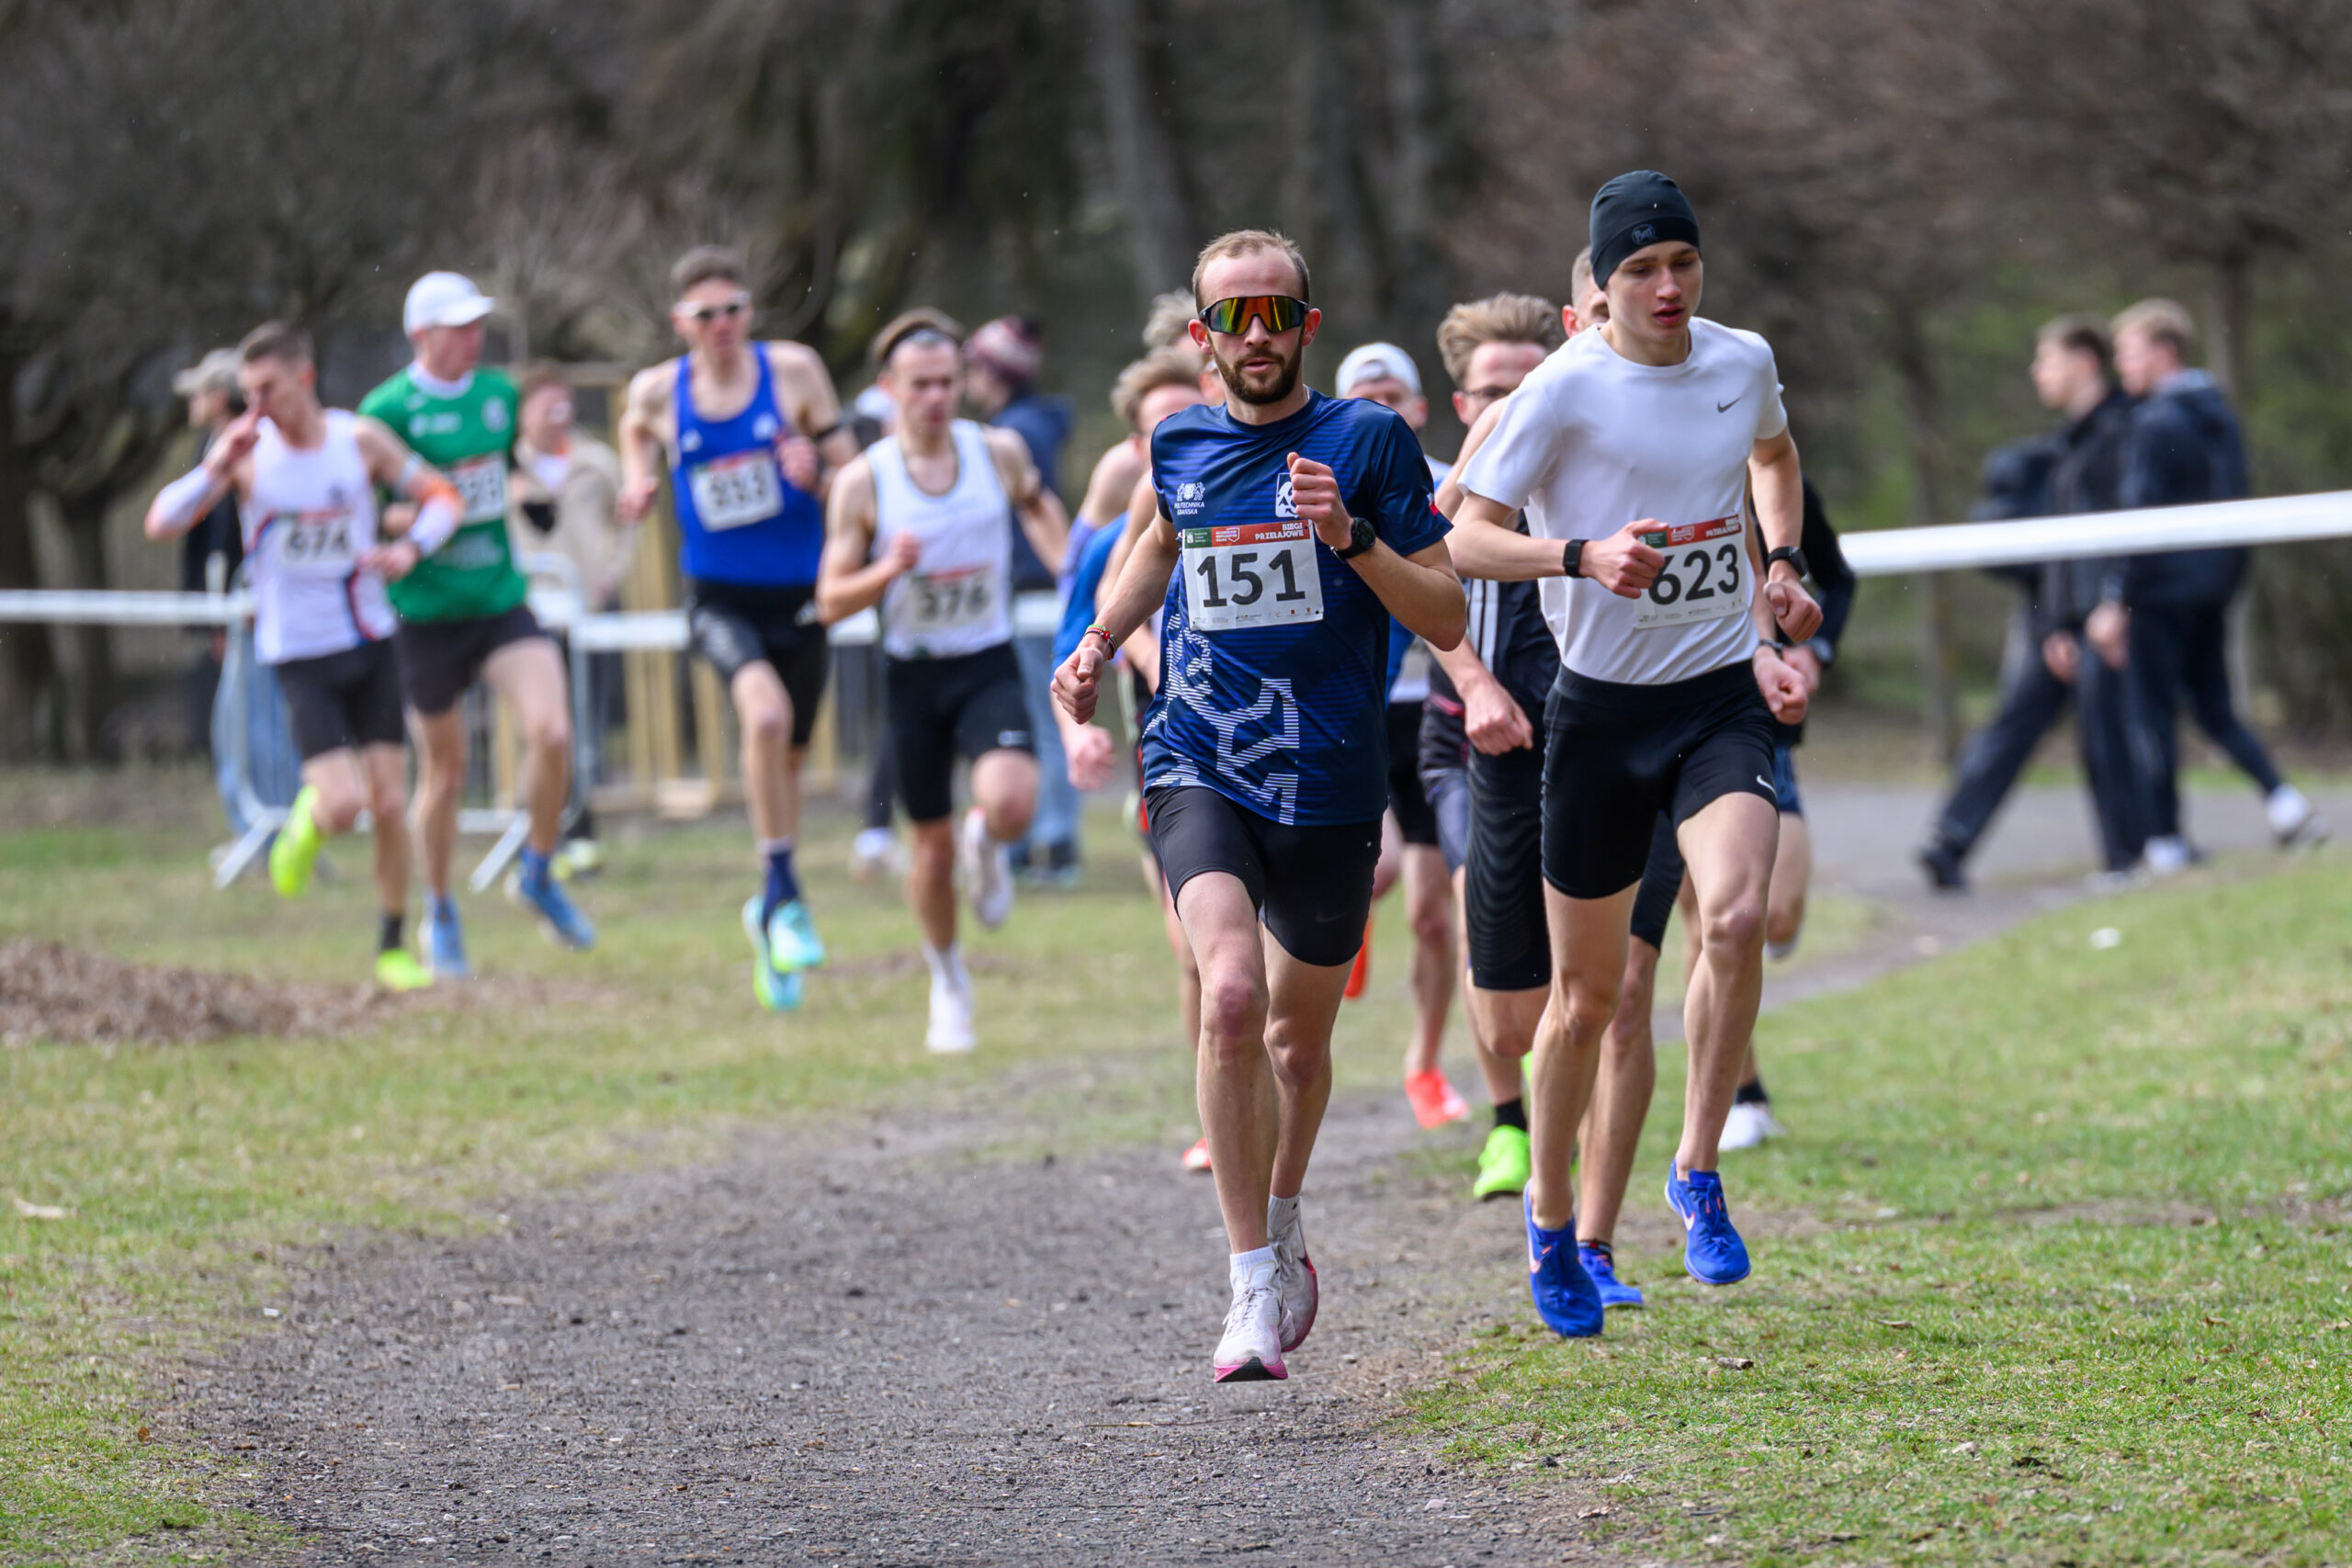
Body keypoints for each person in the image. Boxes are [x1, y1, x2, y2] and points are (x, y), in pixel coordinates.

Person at [1054, 230, 1465, 1382]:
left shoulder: (1368, 440)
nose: (1256, 335)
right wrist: (1097, 642)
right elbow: (1149, 550)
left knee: (1297, 1037)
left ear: (1305, 325)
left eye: (1274, 313)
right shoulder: (1176, 442)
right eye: (1231, 318)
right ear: (1202, 337)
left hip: (1331, 780)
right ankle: (1245, 1284)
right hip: (1198, 757)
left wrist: (1352, 535)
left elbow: (1444, 617)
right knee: (1228, 996)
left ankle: (1285, 1221)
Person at [1450, 172, 1821, 1332]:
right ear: (1600, 288)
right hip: (1599, 718)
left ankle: (1696, 1171)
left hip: (1716, 700)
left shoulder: (1739, 358)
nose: (1666, 288)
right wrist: (1579, 558)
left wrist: (1781, 561)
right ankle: (1552, 1221)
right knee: (1586, 998)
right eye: (1638, 272)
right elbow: (1462, 538)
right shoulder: (1560, 391)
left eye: (1681, 265)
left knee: (1734, 915)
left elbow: (1774, 455)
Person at [145, 322, 460, 990]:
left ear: (305, 378)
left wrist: (411, 549)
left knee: (387, 800)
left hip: (370, 638)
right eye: (247, 392)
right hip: (298, 652)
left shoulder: (359, 440)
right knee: (343, 803)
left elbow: (441, 497)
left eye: (268, 389)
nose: (256, 405)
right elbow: (163, 521)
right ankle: (308, 823)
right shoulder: (244, 452)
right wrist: (213, 465)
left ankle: (391, 943)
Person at [616, 246, 860, 1011]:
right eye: (705, 315)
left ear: (748, 314)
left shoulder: (793, 372)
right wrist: (637, 480)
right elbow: (632, 428)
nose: (721, 326)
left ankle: (768, 909)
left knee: (783, 760)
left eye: (734, 310)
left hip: (801, 592)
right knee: (763, 715)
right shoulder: (660, 390)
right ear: (680, 322)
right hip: (717, 595)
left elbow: (852, 472)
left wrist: (813, 470)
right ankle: (786, 896)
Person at [818, 311, 1069, 1052]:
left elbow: (1040, 509)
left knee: (1014, 802)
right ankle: (948, 978)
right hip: (914, 674)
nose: (934, 397)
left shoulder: (996, 450)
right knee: (927, 853)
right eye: (918, 384)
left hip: (985, 657)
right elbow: (831, 598)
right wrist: (886, 570)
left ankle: (987, 843)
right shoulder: (865, 482)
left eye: (946, 382)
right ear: (888, 389)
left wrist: (1076, 581)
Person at [359, 272, 594, 975]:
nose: (473, 337)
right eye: (458, 327)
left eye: (477, 324)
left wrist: (526, 492)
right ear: (420, 336)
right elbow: (371, 510)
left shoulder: (498, 396)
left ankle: (538, 872)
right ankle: (440, 907)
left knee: (552, 731)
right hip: (426, 614)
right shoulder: (386, 409)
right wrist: (427, 515)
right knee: (448, 770)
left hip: (499, 601)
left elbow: (510, 464)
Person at [1051, 347, 1216, 1167]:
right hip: (1173, 759)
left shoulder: (1262, 489)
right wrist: (1082, 726)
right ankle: (1217, 1114)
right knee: (1197, 952)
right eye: (1158, 423)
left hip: (1275, 746)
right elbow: (1076, 638)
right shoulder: (1123, 531)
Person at [1422, 290, 1568, 1205]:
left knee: (1573, 924)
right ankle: (1506, 1120)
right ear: (1463, 402)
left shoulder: (1580, 468)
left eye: (1529, 386)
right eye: (1493, 390)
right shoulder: (1441, 482)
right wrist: (1475, 684)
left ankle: (1558, 1115)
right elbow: (1415, 580)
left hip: (1563, 723)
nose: (1513, 403)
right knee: (1476, 896)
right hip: (1460, 731)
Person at [1917, 316, 2146, 889]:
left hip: (2110, 620)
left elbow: (2126, 536)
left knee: (2105, 732)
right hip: (2063, 622)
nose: (2036, 371)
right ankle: (1951, 840)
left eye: (2048, 358)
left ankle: (2131, 857)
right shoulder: (2064, 449)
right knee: (2012, 721)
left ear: (2084, 363)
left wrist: (2109, 607)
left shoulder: (2124, 437)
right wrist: (2052, 626)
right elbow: (2057, 554)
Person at [2110, 299, 2324, 862]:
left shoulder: (2155, 421)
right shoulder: (2219, 414)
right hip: (2212, 586)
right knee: (2213, 707)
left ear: (2164, 352)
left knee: (2150, 712)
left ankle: (2164, 841)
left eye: (2129, 352)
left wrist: (2115, 596)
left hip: (2158, 592)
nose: (2122, 366)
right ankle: (2283, 801)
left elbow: (2141, 512)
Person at [1334, 341, 1473, 1132]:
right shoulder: (1322, 485)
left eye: (1394, 394)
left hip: (1436, 710)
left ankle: (1423, 1064)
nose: (1382, 406)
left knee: (1432, 908)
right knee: (1377, 873)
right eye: (1365, 394)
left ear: (1419, 408)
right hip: (1358, 706)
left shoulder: (1453, 482)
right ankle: (1351, 918)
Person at [967, 316, 1081, 886]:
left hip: (1031, 596)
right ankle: (1045, 840)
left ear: (997, 374)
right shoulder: (1035, 423)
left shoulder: (1012, 432)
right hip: (1039, 595)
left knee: (1042, 721)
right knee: (1046, 719)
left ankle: (1053, 843)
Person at [510, 365, 632, 877]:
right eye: (547, 407)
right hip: (528, 616)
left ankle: (582, 831)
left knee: (584, 727)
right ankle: (542, 833)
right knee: (542, 729)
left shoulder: (596, 461)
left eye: (566, 405)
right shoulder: (504, 466)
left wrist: (610, 573)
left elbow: (625, 519)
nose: (558, 417)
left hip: (586, 614)